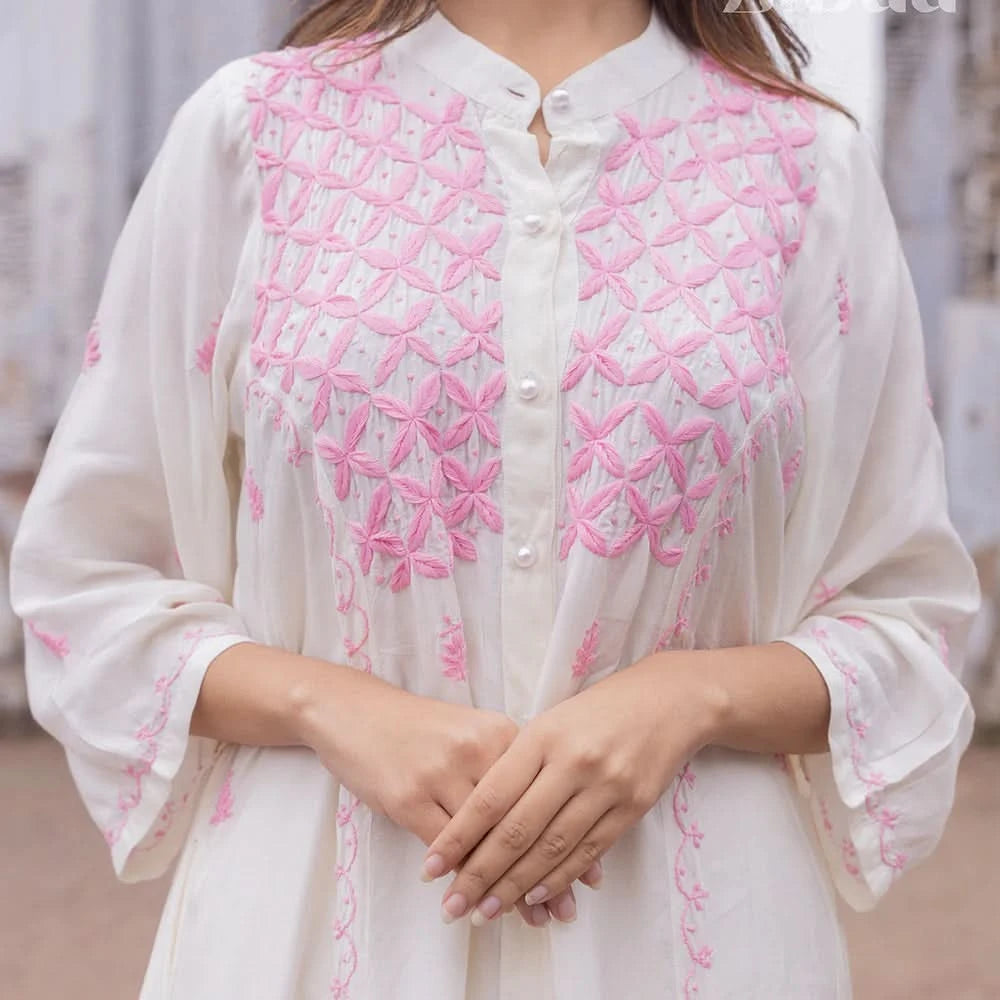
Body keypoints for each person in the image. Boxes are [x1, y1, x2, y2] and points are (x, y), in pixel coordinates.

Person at [9, 1, 981, 997]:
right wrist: (327, 703)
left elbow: (907, 619)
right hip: (316, 930)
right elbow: (84, 583)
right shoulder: (254, 133)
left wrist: (690, 696)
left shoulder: (805, 165)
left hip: (691, 942)